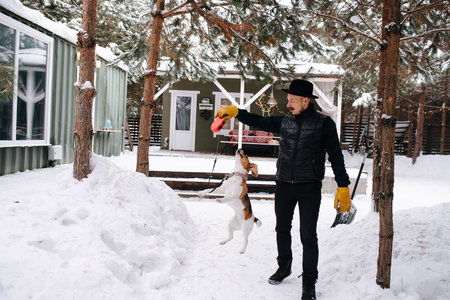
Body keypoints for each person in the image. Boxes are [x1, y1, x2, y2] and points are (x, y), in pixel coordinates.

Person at [215, 79, 351, 300]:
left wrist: (343, 186)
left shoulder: (324, 124)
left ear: (306, 100)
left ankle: (309, 282)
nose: (288, 104)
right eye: (288, 100)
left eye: (292, 100)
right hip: (284, 184)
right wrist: (236, 112)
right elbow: (258, 120)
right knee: (282, 229)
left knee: (308, 235)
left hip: (309, 186)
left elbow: (336, 156)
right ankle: (284, 266)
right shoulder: (284, 122)